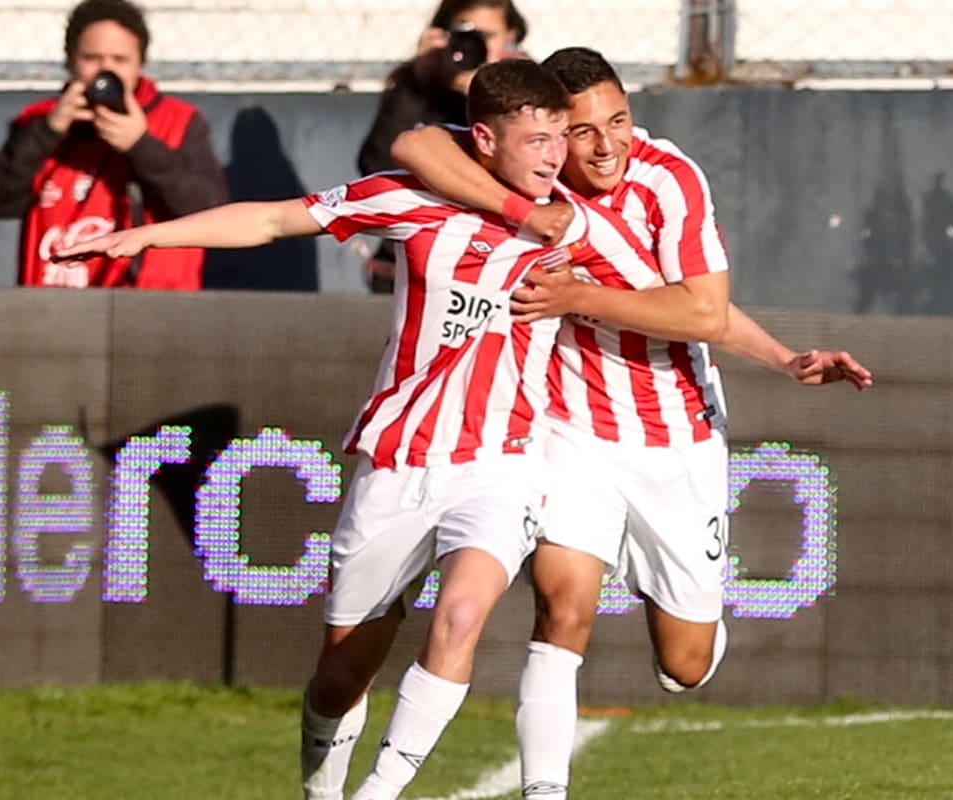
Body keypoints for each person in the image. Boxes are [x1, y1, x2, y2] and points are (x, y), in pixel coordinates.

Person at [55, 58, 672, 800]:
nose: (554, 155)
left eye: (556, 139)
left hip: (500, 463)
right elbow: (277, 216)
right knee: (340, 677)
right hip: (398, 463)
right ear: (482, 139)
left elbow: (692, 302)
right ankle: (323, 786)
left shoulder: (574, 222)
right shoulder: (414, 201)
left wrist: (774, 351)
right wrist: (148, 237)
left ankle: (378, 793)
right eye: (535, 140)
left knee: (464, 612)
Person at [391, 46, 873, 799]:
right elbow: (413, 144)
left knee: (683, 664)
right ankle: (545, 792)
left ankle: (681, 603)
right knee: (563, 610)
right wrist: (524, 212)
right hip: (573, 431)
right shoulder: (527, 177)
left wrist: (782, 359)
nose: (607, 143)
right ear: (552, 132)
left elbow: (701, 311)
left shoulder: (667, 176)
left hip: (679, 440)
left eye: (619, 120)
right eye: (581, 131)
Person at [0, 0, 226, 289]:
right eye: (92, 58)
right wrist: (48, 133)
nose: (106, 70)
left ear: (140, 63)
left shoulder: (177, 120)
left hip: (148, 305)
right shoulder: (41, 120)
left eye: (120, 59)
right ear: (70, 61)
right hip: (54, 301)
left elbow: (208, 209)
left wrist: (141, 145)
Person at [356, 0, 529, 293]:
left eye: (486, 36)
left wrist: (486, 95)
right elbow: (376, 165)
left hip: (489, 262)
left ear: (511, 37)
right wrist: (417, 78)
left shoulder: (529, 87)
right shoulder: (422, 87)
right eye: (465, 33)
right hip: (411, 262)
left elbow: (523, 172)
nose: (474, 45)